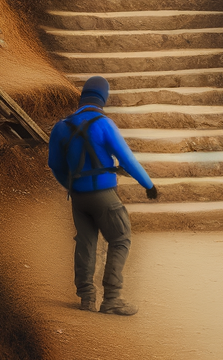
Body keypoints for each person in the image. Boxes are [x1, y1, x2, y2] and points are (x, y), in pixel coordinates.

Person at [47, 76, 159, 314]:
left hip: (78, 197)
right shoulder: (104, 124)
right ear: (103, 98)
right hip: (104, 194)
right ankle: (112, 298)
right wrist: (148, 185)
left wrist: (70, 185)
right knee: (120, 239)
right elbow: (126, 159)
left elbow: (55, 164)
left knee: (86, 243)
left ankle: (86, 298)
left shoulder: (61, 126)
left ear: (83, 97)